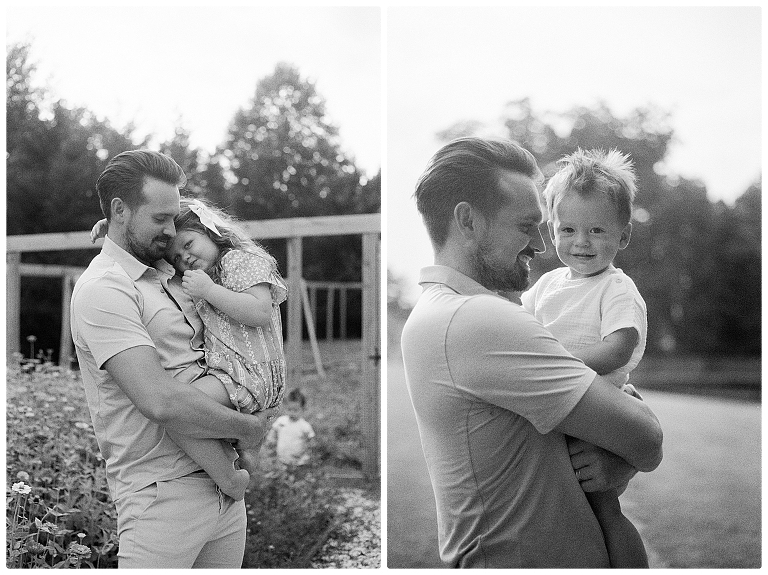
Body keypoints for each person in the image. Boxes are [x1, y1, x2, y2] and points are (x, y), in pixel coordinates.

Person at [400, 137, 663, 568]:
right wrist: (628, 448)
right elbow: (648, 441)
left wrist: (618, 453)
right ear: (467, 220)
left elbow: (620, 350)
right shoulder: (478, 320)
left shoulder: (441, 311)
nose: (542, 246)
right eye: (527, 226)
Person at [71, 150, 277, 568]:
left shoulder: (169, 269)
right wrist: (249, 428)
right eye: (160, 218)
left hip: (223, 493)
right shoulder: (104, 289)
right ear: (119, 211)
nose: (170, 230)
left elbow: (213, 246)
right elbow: (160, 402)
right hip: (161, 497)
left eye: (175, 217)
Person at [91, 196, 288, 500]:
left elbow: (259, 312)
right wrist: (116, 226)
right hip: (232, 373)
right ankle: (239, 463)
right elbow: (152, 246)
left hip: (248, 374)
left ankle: (230, 478)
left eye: (188, 244)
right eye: (177, 258)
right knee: (181, 414)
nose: (185, 257)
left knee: (179, 415)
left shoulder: (238, 261)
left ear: (210, 230)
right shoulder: (201, 276)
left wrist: (210, 291)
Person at [521, 148, 649, 567]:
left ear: (623, 236)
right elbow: (517, 322)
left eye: (597, 230)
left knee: (602, 509)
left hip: (594, 408)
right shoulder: (548, 285)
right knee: (556, 513)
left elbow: (618, 347)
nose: (581, 242)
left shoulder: (616, 288)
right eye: (568, 229)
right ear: (552, 230)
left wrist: (560, 363)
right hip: (556, 403)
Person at [266, 388, 316, 467]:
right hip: (281, 459)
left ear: (302, 409)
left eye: (295, 410)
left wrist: (307, 455)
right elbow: (273, 431)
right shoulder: (281, 421)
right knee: (282, 475)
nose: (292, 413)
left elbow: (311, 441)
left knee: (296, 477)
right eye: (289, 409)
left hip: (298, 461)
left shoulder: (304, 426)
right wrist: (270, 439)